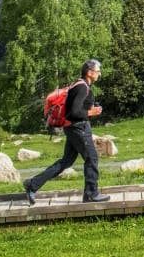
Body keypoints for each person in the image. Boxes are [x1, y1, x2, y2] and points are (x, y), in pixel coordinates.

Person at [23, 59, 110, 204]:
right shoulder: (82, 87)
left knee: (66, 161)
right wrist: (90, 113)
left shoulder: (78, 85)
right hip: (78, 128)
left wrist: (90, 109)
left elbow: (75, 109)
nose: (99, 74)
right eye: (98, 71)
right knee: (92, 158)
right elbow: (74, 112)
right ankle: (91, 193)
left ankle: (32, 184)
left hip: (72, 127)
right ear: (90, 72)